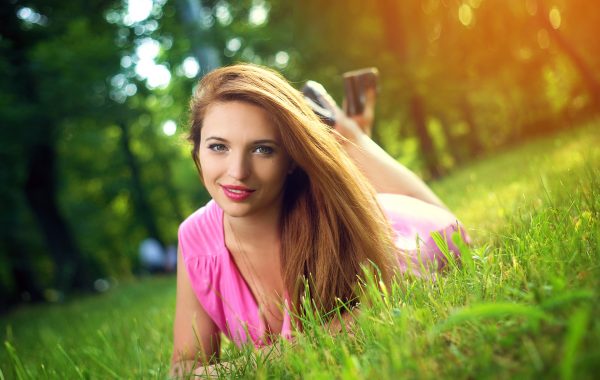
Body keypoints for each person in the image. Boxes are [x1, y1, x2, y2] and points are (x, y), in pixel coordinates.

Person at [171, 63, 467, 377]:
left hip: (406, 233)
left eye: (262, 149)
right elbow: (184, 365)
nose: (238, 171)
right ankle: (337, 128)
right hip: (364, 207)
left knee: (448, 222)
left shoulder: (330, 212)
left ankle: (348, 134)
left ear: (290, 160)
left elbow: (376, 315)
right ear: (197, 150)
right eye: (218, 147)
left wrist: (239, 368)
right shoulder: (194, 238)